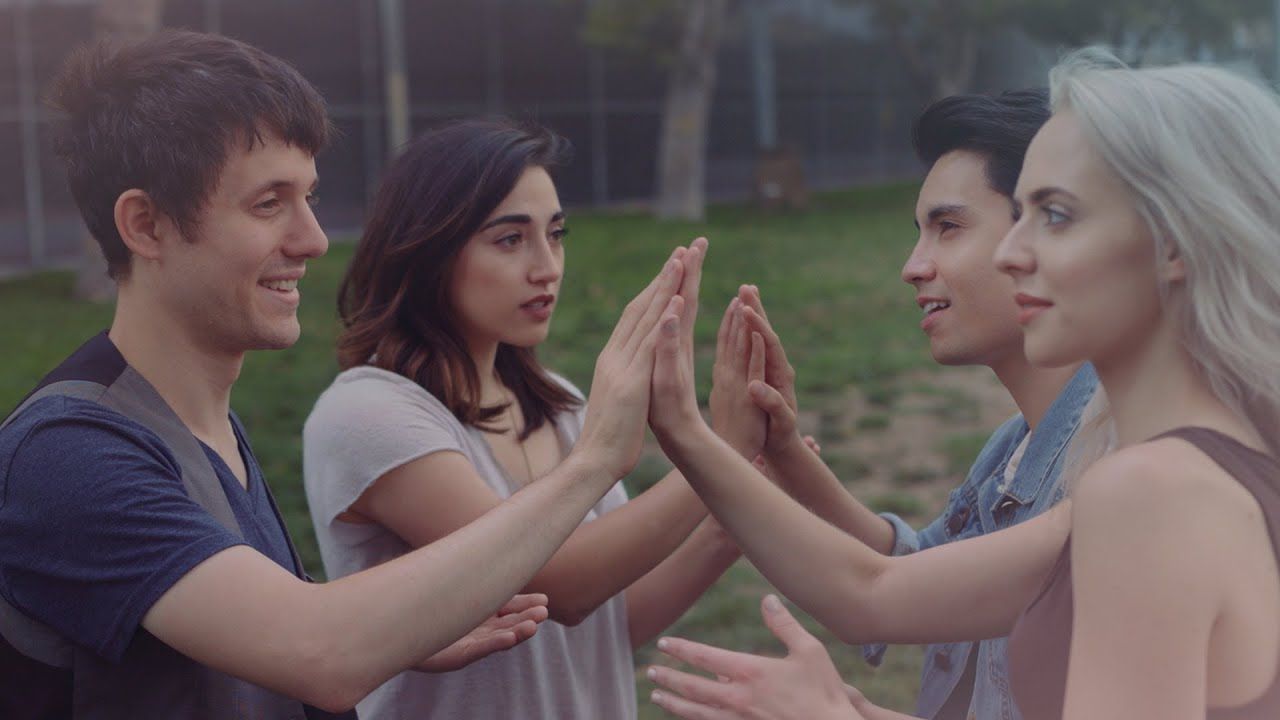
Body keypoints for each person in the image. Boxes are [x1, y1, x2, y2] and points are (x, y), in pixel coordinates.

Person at [0, 30, 695, 718]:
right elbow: (319, 655)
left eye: (308, 197)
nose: (313, 239)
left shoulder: (207, 432)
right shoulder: (70, 453)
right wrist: (597, 459)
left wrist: (401, 637)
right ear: (146, 226)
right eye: (269, 203)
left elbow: (268, 640)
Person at [646, 49, 1280, 719]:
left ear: (1174, 242)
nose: (1011, 252)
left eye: (1057, 216)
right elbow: (880, 590)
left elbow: (877, 592)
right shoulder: (1213, 456)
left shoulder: (1149, 491)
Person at [301, 118, 770, 719]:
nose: (547, 266)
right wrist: (716, 452)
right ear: (428, 249)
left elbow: (609, 620)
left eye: (556, 234)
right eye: (509, 239)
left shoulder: (561, 403)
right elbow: (561, 585)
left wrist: (730, 517)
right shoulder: (368, 416)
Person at [651, 89, 1097, 720]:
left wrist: (685, 432)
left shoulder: (1119, 463)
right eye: (919, 233)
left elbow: (878, 595)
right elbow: (920, 574)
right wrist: (785, 455)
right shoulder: (1014, 445)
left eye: (948, 227)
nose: (913, 266)